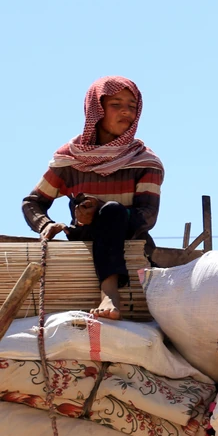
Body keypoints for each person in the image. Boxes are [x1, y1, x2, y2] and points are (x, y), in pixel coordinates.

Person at [22, 76, 164, 320]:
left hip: (130, 243)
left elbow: (148, 216)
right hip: (85, 241)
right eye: (116, 104)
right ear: (95, 110)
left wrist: (99, 211)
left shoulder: (144, 161)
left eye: (132, 106)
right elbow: (33, 202)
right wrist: (46, 225)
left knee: (112, 211)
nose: (126, 112)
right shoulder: (70, 160)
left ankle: (110, 293)